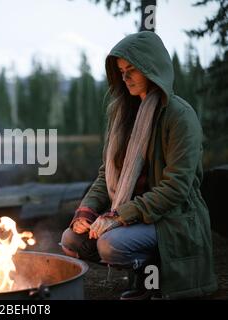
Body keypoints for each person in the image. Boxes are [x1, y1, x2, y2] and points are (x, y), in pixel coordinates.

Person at [61, 31, 218, 300]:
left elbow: (176, 188)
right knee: (71, 239)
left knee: (110, 244)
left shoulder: (179, 116)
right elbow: (105, 174)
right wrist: (86, 212)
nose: (125, 77)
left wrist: (119, 216)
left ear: (152, 69)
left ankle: (153, 280)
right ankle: (142, 272)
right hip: (131, 212)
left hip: (173, 217)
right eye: (121, 71)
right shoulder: (122, 111)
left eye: (132, 70)